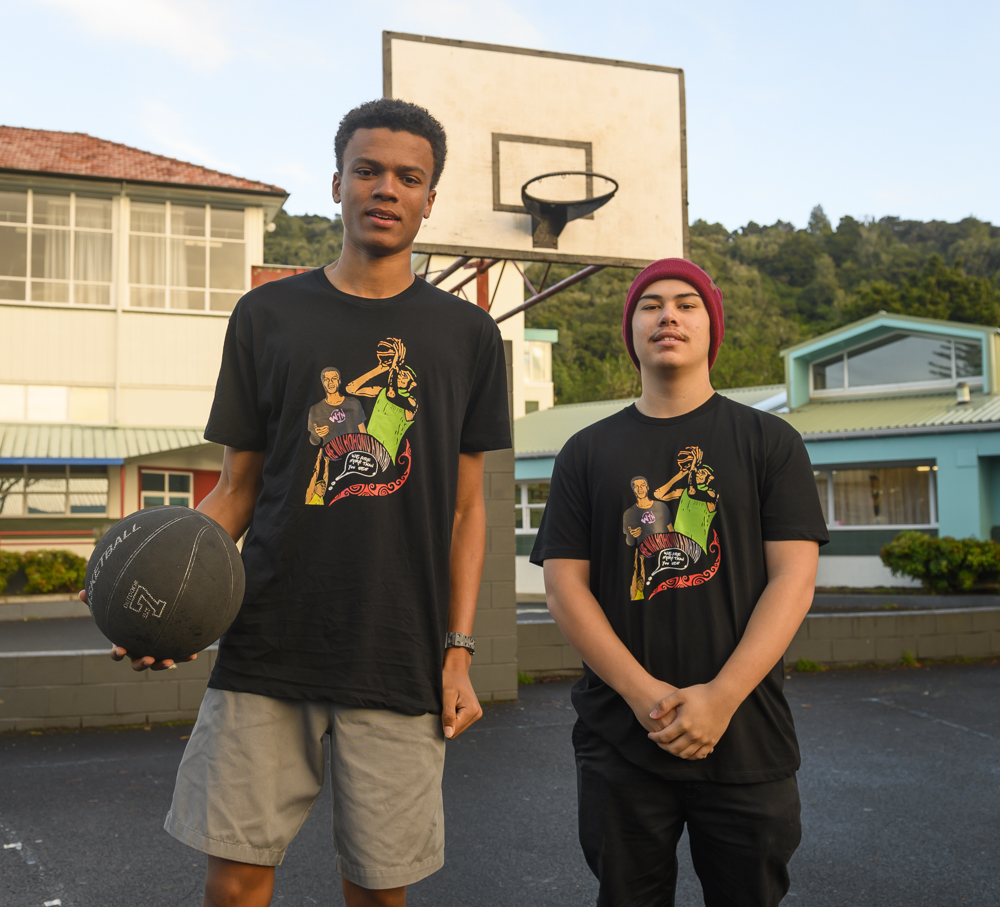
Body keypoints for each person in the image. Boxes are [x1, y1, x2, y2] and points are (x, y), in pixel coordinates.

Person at [88, 98, 511, 907]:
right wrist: (167, 600)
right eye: (369, 170)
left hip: (399, 650)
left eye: (408, 177)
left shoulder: (467, 335)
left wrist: (457, 651)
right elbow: (236, 488)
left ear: (430, 198)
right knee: (236, 881)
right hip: (267, 643)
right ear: (337, 184)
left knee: (381, 890)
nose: (386, 188)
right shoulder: (266, 315)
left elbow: (467, 512)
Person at [531, 257, 828, 906]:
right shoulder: (586, 451)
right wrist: (643, 695)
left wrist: (721, 696)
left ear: (712, 327)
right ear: (630, 329)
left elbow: (794, 580)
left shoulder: (770, 442)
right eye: (650, 303)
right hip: (622, 736)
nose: (668, 314)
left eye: (687, 303)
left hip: (747, 732)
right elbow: (564, 587)